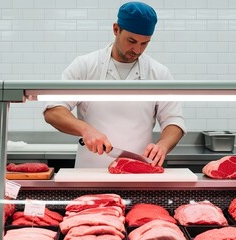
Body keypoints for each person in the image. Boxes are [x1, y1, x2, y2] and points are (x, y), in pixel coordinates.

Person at [43, 1, 186, 168]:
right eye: (131, 41)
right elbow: (53, 111)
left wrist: (163, 145)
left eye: (144, 43)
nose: (137, 50)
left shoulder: (159, 73)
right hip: (89, 173)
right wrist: (85, 129)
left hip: (138, 172)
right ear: (116, 29)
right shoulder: (85, 65)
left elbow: (174, 121)